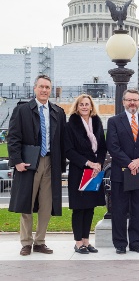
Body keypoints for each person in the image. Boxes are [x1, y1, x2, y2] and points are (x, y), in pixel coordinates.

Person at [7, 74, 66, 256]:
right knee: (26, 202)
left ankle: (40, 241)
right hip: (28, 163)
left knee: (46, 205)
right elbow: (13, 137)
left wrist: (61, 166)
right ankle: (26, 242)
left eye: (47, 87)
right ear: (35, 88)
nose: (44, 90)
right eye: (41, 87)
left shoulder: (58, 112)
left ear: (51, 90)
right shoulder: (22, 110)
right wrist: (16, 161)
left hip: (51, 162)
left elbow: (63, 141)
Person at [106, 89, 139, 254]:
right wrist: (129, 163)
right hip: (120, 173)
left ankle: (136, 243)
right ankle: (120, 244)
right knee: (119, 210)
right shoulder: (114, 121)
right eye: (129, 100)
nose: (132, 103)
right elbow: (113, 147)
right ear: (123, 102)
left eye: (135, 100)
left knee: (138, 209)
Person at [65, 94, 107, 254]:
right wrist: (88, 163)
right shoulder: (70, 126)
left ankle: (86, 241)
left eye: (87, 104)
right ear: (77, 107)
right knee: (79, 208)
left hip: (95, 172)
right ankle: (78, 243)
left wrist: (99, 164)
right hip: (79, 171)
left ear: (91, 107)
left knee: (90, 208)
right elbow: (69, 150)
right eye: (81, 104)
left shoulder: (97, 123)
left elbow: (102, 147)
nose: (84, 107)